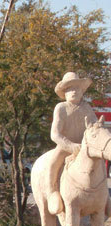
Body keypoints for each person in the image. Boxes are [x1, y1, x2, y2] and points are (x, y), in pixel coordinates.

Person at [46, 72, 98, 214]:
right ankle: (52, 192)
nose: (74, 91)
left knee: (99, 162)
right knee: (53, 164)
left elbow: (94, 127)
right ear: (65, 92)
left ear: (82, 91)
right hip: (65, 147)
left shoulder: (87, 108)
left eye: (77, 88)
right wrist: (70, 146)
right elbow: (54, 134)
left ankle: (104, 197)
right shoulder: (61, 108)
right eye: (70, 89)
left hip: (85, 148)